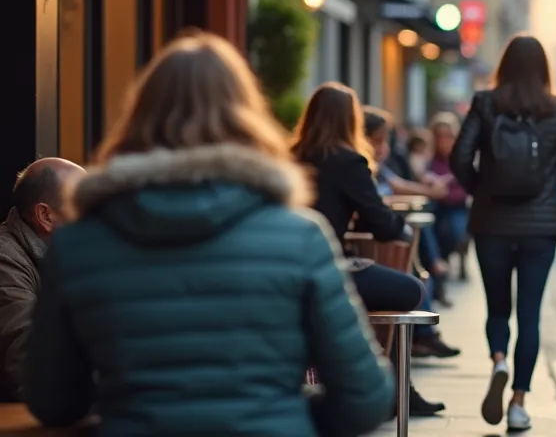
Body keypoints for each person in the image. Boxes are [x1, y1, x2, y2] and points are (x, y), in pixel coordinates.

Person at [23, 32, 395, 435]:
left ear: (137, 118)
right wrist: (282, 411)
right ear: (246, 118)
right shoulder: (299, 237)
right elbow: (366, 399)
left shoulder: (79, 244)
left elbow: (52, 401)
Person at [451, 35, 556, 431]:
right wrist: (549, 181)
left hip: (492, 223)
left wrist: (481, 186)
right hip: (541, 225)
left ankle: (498, 360)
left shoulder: (484, 103)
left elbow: (459, 157)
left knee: (498, 308)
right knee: (529, 314)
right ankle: (517, 403)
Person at [291, 82, 446, 417]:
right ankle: (391, 389)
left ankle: (397, 390)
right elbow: (381, 223)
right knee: (409, 290)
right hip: (330, 266)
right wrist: (400, 227)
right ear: (349, 121)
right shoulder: (348, 161)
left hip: (287, 265)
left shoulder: (291, 155)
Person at [361, 106, 461, 351]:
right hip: (363, 248)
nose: (384, 147)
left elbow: (396, 186)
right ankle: (418, 340)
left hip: (376, 242)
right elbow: (377, 209)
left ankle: (419, 339)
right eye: (380, 140)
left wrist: (427, 191)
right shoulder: (356, 164)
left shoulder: (371, 165)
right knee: (413, 281)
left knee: (415, 268)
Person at [0, 158, 84, 402]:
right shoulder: (5, 259)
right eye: (84, 205)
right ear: (45, 215)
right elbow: (29, 357)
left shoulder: (69, 256)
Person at [428, 112, 473, 280]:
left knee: (457, 230)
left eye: (449, 136)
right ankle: (439, 264)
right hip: (436, 206)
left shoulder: (461, 159)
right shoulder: (429, 158)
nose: (445, 141)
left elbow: (465, 187)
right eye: (440, 136)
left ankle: (450, 262)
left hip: (458, 206)